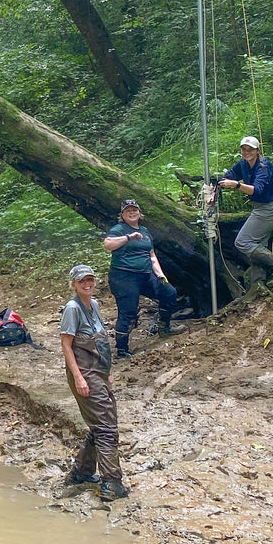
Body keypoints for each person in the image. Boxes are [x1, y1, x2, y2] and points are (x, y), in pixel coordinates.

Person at [60, 265, 129, 501]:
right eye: (82, 281)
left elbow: (100, 342)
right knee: (107, 428)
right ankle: (111, 483)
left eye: (90, 280)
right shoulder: (72, 309)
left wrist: (106, 372)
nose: (87, 284)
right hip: (85, 375)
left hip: (98, 373)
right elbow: (67, 346)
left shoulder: (95, 305)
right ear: (74, 284)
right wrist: (79, 378)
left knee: (99, 426)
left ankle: (81, 473)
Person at [102, 198, 182, 356]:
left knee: (169, 293)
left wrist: (160, 273)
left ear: (140, 213)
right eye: (128, 211)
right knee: (128, 312)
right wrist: (128, 237)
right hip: (124, 276)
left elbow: (151, 255)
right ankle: (122, 350)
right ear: (122, 215)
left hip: (146, 275)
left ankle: (164, 327)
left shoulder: (145, 231)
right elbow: (108, 244)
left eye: (134, 210)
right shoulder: (119, 229)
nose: (132, 213)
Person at [218, 135, 273, 284]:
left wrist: (237, 185)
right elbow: (227, 176)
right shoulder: (243, 163)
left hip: (271, 209)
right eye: (244, 149)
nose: (247, 152)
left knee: (243, 242)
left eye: (250, 150)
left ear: (257, 151)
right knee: (258, 246)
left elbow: (257, 190)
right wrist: (216, 188)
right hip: (261, 208)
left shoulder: (264, 166)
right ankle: (258, 285)